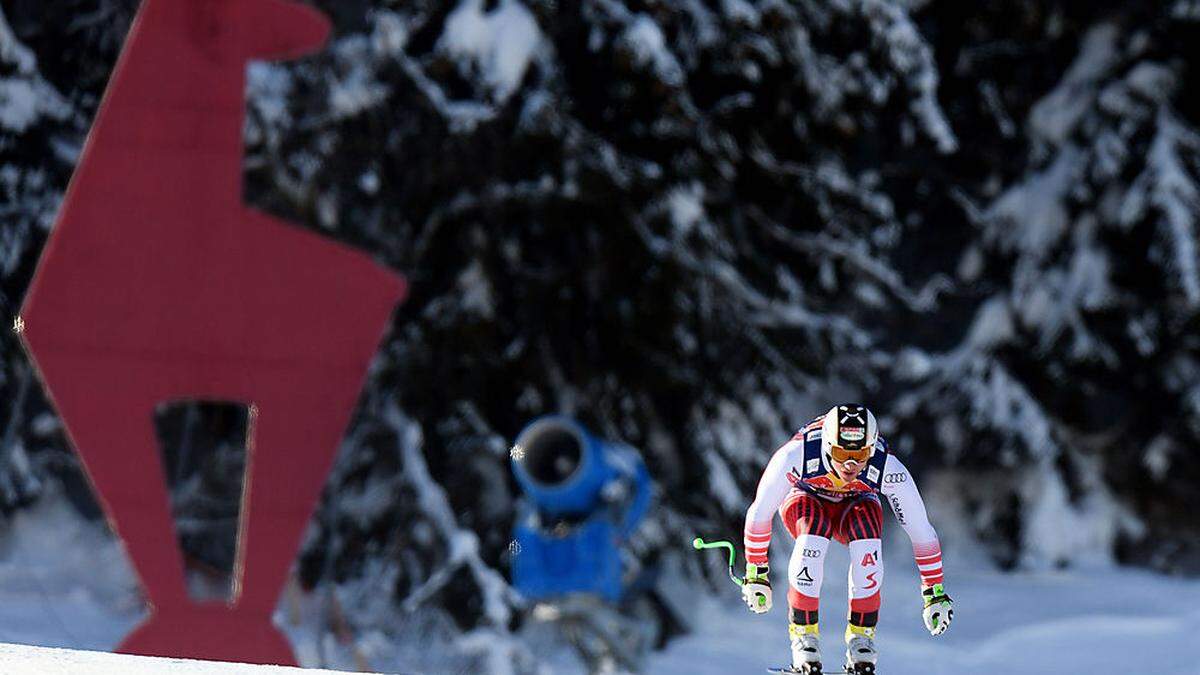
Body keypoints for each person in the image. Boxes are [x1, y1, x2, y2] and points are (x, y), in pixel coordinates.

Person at [740, 404, 953, 674]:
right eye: (841, 453)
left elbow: (920, 530)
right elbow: (760, 511)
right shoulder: (798, 454)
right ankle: (804, 638)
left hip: (856, 504)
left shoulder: (886, 465)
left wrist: (934, 593)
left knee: (868, 541)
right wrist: (756, 572)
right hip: (806, 499)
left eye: (861, 454)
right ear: (828, 445)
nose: (850, 465)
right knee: (813, 535)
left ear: (872, 448)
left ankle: (861, 639)